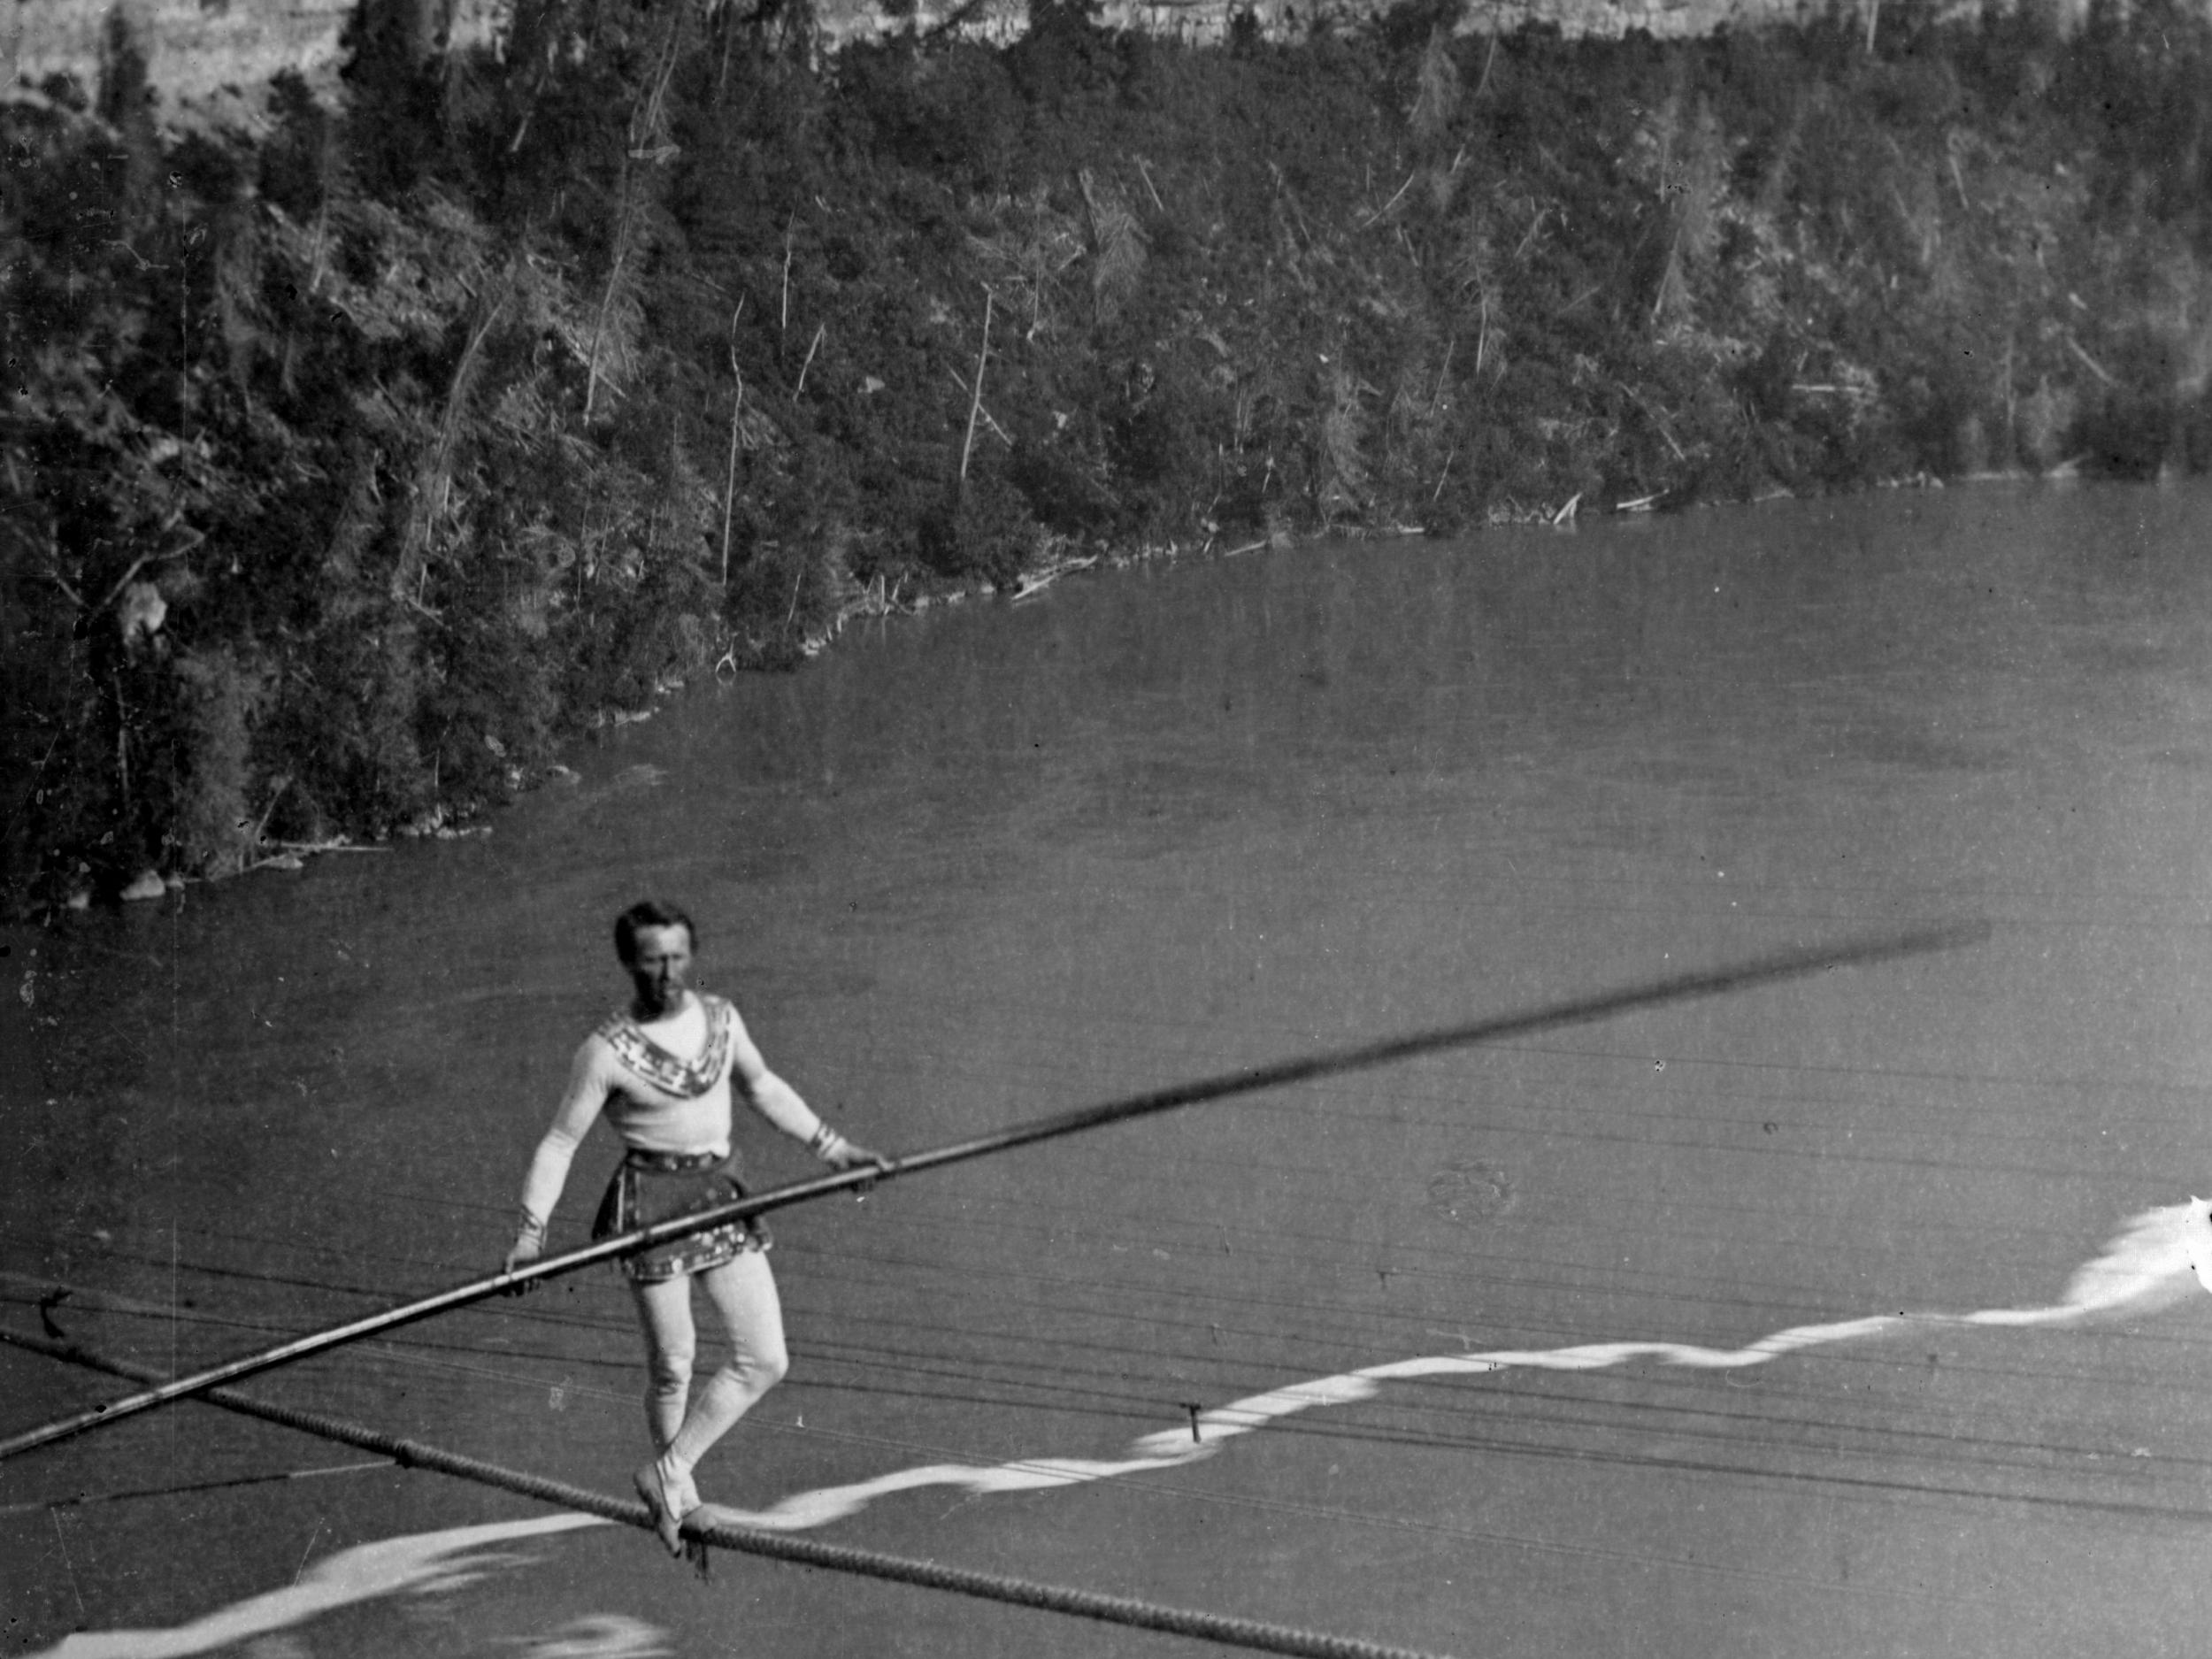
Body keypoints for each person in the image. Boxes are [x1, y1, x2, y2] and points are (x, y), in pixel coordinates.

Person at [503, 900, 887, 1555]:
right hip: (650, 1206)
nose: (669, 971)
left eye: (680, 956)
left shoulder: (722, 1019)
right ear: (630, 963)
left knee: (765, 1356)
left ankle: (667, 1472)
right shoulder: (605, 1050)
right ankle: (679, 1499)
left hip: (718, 1193)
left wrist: (835, 1147)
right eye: (653, 959)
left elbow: (763, 1087)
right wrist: (530, 1235)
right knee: (673, 1364)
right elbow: (561, 1142)